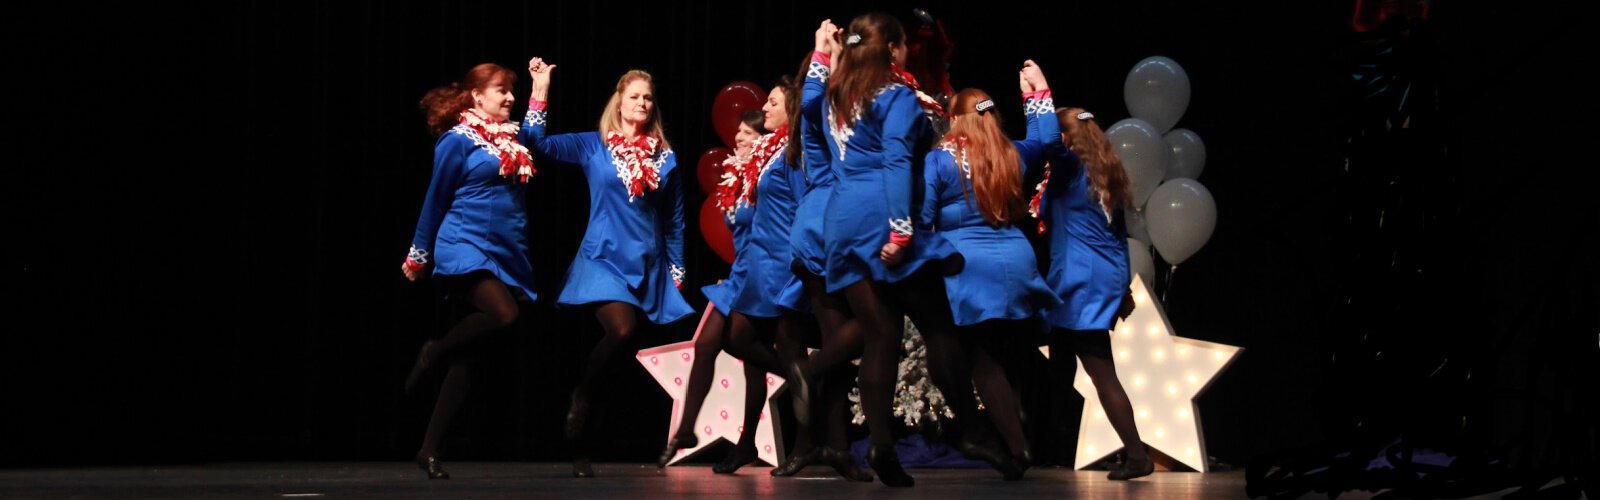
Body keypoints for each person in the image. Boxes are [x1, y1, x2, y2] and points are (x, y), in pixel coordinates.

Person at [815, 11, 980, 487]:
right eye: (904, 43)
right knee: (937, 324)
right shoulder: (894, 95)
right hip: (879, 217)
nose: (909, 50)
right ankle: (970, 429)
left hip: (841, 221)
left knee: (880, 333)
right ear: (891, 49)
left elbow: (807, 103)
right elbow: (894, 162)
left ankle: (882, 447)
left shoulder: (833, 94)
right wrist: (902, 230)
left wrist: (824, 54)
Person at [521, 57, 694, 478]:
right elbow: (534, 141)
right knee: (621, 329)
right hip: (602, 258)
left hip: (646, 262)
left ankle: (582, 443)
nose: (642, 103)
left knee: (618, 361)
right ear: (618, 102)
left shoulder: (664, 157)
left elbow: (675, 219)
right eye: (634, 96)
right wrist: (540, 89)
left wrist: (678, 270)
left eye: (648, 98)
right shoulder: (593, 144)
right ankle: (579, 397)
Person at [918, 64, 1068, 478]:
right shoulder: (1011, 153)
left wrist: (925, 257)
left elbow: (924, 219)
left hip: (970, 266)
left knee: (981, 360)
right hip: (1017, 260)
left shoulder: (939, 159)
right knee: (1013, 352)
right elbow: (1048, 141)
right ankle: (1021, 428)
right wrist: (1038, 94)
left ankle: (1017, 447)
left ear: (954, 120)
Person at [401, 62, 538, 480]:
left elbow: (537, 136)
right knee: (503, 315)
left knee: (470, 360)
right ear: (477, 96)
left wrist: (542, 89)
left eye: (512, 92)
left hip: (503, 250)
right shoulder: (456, 141)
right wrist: (418, 254)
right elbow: (435, 197)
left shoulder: (511, 140)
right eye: (501, 90)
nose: (509, 98)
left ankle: (428, 449)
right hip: (463, 244)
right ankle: (434, 351)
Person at [1030, 66, 1153, 480]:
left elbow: (1045, 141)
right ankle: (1043, 446)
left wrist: (1038, 93)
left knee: (1100, 370)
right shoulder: (1106, 174)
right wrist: (1122, 286)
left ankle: (1137, 455)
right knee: (1058, 362)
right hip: (1098, 277)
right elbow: (1118, 240)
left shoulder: (1069, 171)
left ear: (1067, 139)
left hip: (1079, 282)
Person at [654, 106, 787, 474]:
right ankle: (686, 430)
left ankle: (804, 377)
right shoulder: (739, 175)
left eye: (749, 133)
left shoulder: (767, 177)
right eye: (739, 131)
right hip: (738, 274)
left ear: (765, 142)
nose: (740, 138)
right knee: (706, 345)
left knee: (746, 354)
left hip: (761, 275)